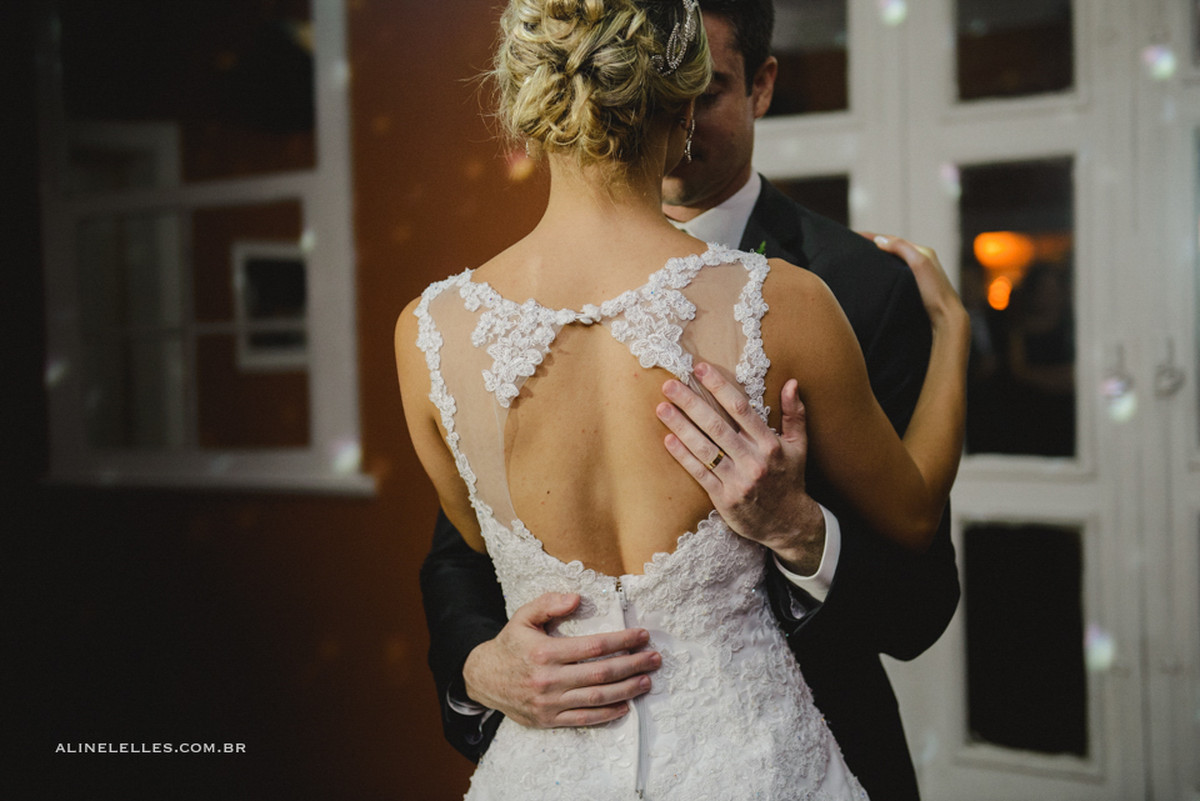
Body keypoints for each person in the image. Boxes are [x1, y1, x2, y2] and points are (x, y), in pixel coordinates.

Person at [400, 0, 968, 796]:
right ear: (671, 96)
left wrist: (801, 530)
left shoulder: (433, 329)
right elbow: (469, 559)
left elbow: (920, 592)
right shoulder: (791, 303)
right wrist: (476, 663)